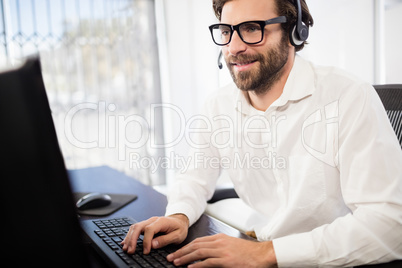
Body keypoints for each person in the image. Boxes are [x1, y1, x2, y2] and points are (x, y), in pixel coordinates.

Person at [122, 0, 402, 267]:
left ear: (294, 30)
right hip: (255, 248)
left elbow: (391, 223)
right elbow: (194, 179)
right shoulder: (218, 106)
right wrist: (179, 214)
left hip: (334, 259)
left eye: (251, 29)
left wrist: (266, 254)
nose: (233, 47)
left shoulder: (347, 97)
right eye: (226, 31)